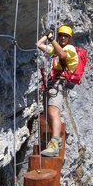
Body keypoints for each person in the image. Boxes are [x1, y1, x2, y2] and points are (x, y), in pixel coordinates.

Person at [37, 25, 78, 157]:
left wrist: (52, 39)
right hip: (53, 83)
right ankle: (57, 140)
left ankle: (54, 143)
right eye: (60, 35)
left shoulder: (70, 49)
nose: (62, 37)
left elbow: (62, 54)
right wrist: (47, 34)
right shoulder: (55, 48)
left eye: (65, 36)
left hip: (60, 84)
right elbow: (39, 44)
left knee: (54, 111)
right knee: (48, 113)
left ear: (69, 38)